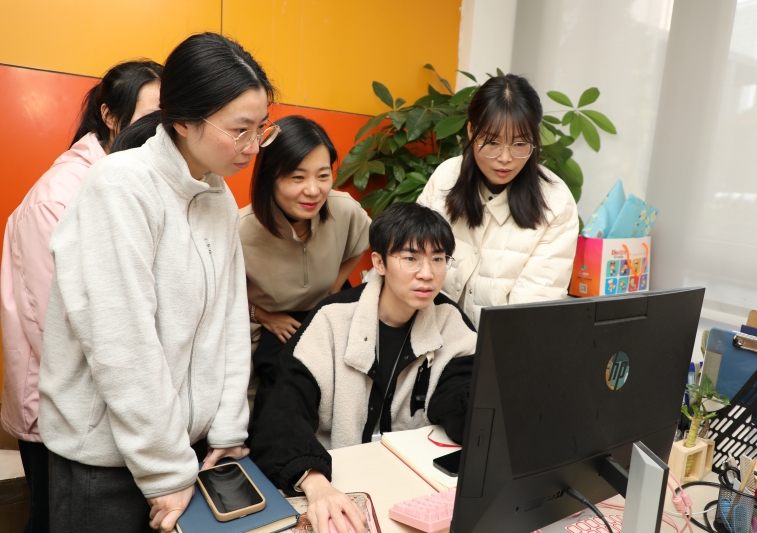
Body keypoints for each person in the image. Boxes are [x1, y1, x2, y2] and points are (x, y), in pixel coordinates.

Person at [37, 33, 276, 533]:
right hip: (108, 463)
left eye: (261, 129)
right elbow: (121, 342)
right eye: (240, 130)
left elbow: (230, 318)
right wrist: (165, 469)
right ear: (184, 120)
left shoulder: (218, 197)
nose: (253, 147)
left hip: (188, 452)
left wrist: (228, 427)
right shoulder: (120, 185)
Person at [0, 58, 161, 533]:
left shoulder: (132, 179)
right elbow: (54, 323)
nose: (164, 129)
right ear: (110, 116)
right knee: (54, 520)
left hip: (113, 401)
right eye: (152, 114)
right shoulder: (58, 196)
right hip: (62, 405)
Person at [248, 202, 477, 533]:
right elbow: (281, 409)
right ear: (379, 263)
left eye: (438, 259)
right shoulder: (331, 318)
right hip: (334, 476)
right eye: (410, 258)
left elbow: (462, 399)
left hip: (411, 480)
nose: (427, 273)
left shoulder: (450, 322)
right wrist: (315, 483)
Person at [417, 74, 579, 325]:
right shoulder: (446, 177)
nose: (505, 158)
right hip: (425, 333)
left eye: (520, 143)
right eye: (492, 142)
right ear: (471, 131)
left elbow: (527, 319)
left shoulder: (555, 204)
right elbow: (411, 263)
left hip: (495, 345)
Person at [239, 115, 371, 382]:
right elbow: (222, 296)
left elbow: (363, 240)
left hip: (324, 320)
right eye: (298, 177)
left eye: (323, 176)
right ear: (269, 178)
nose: (313, 190)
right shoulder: (240, 230)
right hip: (267, 331)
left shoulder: (343, 209)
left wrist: (333, 288)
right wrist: (264, 315)